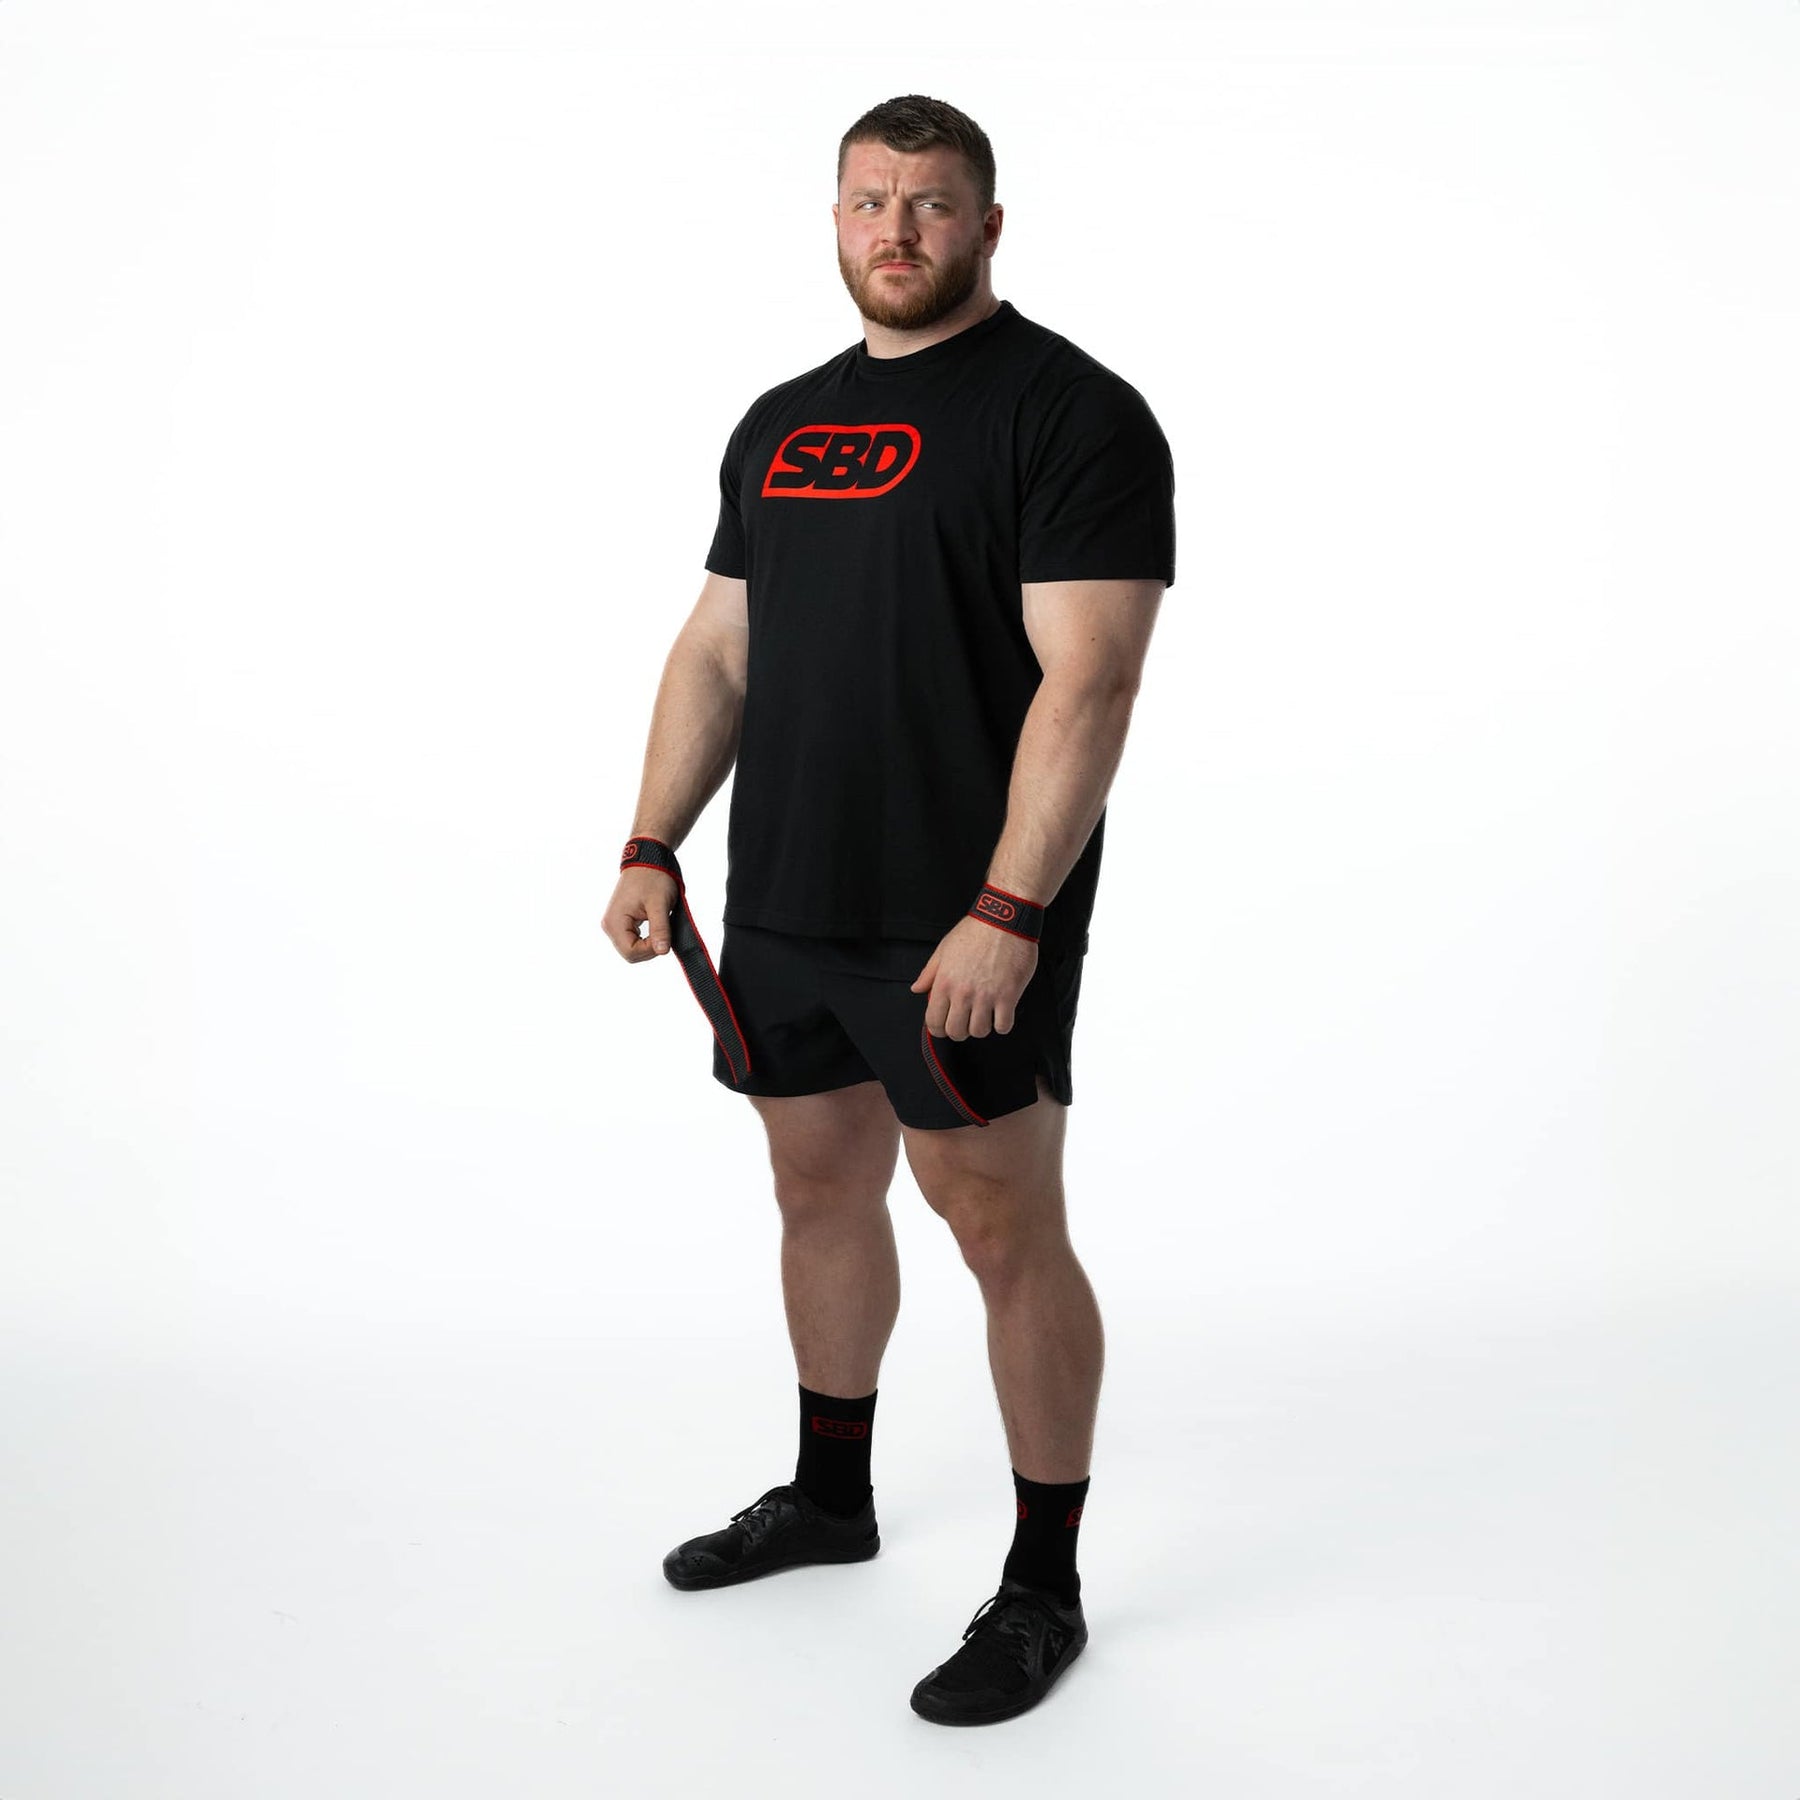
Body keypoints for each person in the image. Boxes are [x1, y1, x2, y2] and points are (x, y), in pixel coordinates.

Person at [602, 93, 1175, 1726]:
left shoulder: (1072, 413)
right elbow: (720, 646)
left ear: (988, 224)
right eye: (869, 201)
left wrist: (1010, 907)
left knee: (998, 1224)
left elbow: (1093, 676)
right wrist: (652, 839)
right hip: (783, 896)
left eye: (930, 203)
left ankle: (1043, 1589)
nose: (897, 230)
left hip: (959, 918)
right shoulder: (783, 421)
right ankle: (830, 1496)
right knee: (815, 1188)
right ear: (836, 219)